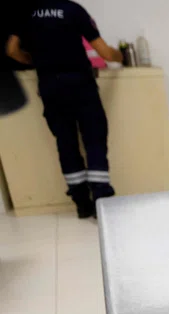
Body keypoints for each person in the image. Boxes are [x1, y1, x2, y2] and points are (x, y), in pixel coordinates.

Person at [6, 1, 122, 218]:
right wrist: (120, 56)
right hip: (80, 83)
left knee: (66, 142)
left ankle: (82, 203)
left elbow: (11, 50)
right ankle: (101, 200)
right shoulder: (73, 10)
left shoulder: (26, 12)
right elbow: (104, 52)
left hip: (50, 86)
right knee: (94, 139)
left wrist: (32, 60)